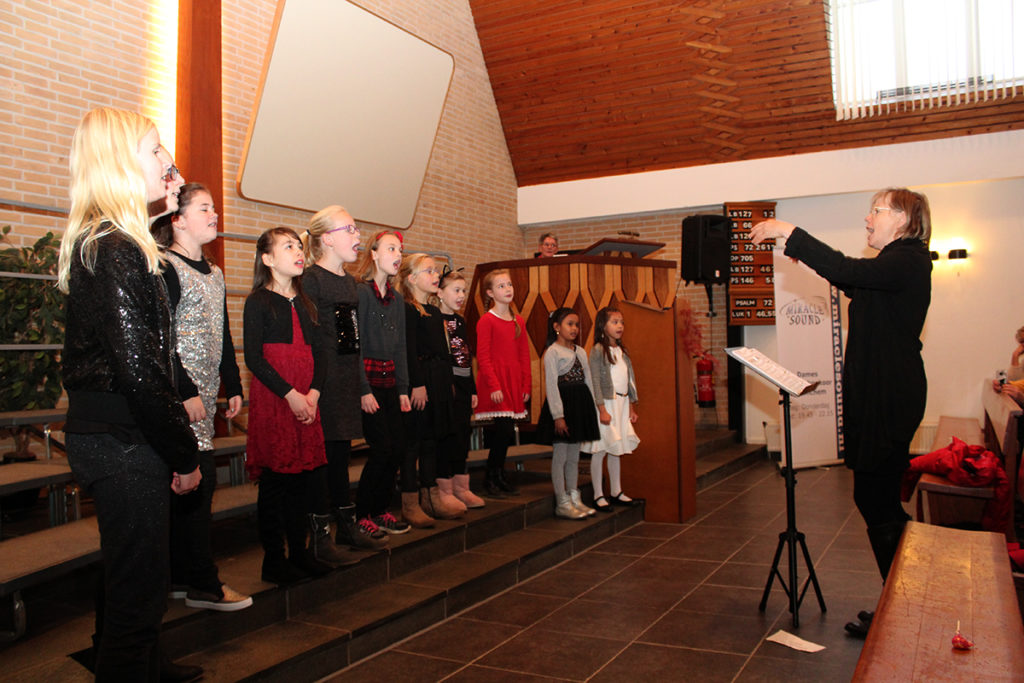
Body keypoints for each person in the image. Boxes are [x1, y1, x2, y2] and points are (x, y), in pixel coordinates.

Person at [57, 107, 202, 681]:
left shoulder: (116, 241)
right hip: (121, 438)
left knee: (133, 575)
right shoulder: (115, 247)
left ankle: (149, 665)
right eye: (156, 150)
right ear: (120, 162)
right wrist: (184, 453)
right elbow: (141, 372)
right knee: (138, 593)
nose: (170, 163)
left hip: (119, 434)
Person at [750, 187, 932, 639]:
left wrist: (788, 231)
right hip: (881, 395)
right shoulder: (894, 264)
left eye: (876, 211)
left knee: (877, 500)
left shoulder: (908, 259)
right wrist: (807, 258)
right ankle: (902, 601)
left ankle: (905, 606)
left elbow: (849, 270)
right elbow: (850, 279)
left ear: (903, 219)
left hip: (889, 398)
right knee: (875, 499)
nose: (868, 219)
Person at [151, 183, 252, 612]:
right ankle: (203, 582)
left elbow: (222, 333)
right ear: (177, 219)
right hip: (179, 394)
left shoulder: (214, 271)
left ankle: (180, 575)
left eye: (214, 208)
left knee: (189, 487)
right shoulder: (165, 267)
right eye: (205, 208)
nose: (215, 215)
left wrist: (233, 384)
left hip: (206, 396)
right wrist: (186, 390)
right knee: (198, 481)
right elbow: (162, 338)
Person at [244, 227, 344, 585]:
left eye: (299, 246)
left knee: (304, 482)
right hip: (277, 400)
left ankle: (300, 553)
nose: (299, 252)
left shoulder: (306, 302)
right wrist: (291, 395)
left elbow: (322, 353)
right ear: (268, 259)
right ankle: (274, 560)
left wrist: (313, 394)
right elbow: (254, 358)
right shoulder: (258, 301)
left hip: (307, 400)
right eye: (288, 247)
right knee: (276, 483)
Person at [301, 206, 388, 551]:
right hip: (323, 383)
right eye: (349, 229)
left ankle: (346, 526)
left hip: (346, 380)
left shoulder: (350, 283)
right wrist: (314, 387)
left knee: (340, 456)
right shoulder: (311, 279)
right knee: (323, 459)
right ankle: (320, 534)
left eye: (356, 228)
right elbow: (310, 340)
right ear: (326, 239)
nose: (357, 235)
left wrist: (360, 384)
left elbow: (351, 340)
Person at [353, 231, 413, 534]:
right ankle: (362, 513)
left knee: (398, 448)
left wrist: (403, 389)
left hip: (391, 383)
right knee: (381, 449)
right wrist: (363, 389)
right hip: (369, 384)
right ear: (374, 254)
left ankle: (381, 510)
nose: (398, 254)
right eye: (391, 248)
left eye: (400, 249)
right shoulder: (360, 293)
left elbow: (400, 346)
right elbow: (356, 346)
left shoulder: (397, 299)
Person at [397, 254, 464, 521]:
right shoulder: (407, 309)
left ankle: (431, 497)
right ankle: (410, 501)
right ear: (412, 279)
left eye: (436, 271)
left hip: (438, 378)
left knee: (431, 441)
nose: (436, 275)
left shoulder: (435, 311)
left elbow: (444, 352)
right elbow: (409, 351)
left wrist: (448, 383)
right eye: (429, 271)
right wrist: (417, 384)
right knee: (413, 442)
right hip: (421, 379)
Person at [537, 308, 601, 519]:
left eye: (576, 325)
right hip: (564, 407)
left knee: (574, 456)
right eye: (569, 324)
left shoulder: (580, 351)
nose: (574, 329)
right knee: (561, 456)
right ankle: (562, 501)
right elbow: (552, 386)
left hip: (579, 407)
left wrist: (593, 409)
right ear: (556, 327)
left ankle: (574, 496)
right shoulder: (552, 352)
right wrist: (558, 415)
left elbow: (588, 381)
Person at [473, 269, 531, 497]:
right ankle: (491, 476)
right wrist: (494, 385)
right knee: (503, 430)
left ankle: (499, 475)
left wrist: (526, 385)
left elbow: (524, 355)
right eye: (501, 286)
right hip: (496, 382)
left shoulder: (518, 321)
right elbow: (483, 356)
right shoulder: (486, 321)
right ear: (490, 293)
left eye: (509, 285)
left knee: (506, 432)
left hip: (513, 381)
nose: (507, 289)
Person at [435, 268, 486, 508]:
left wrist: (472, 389)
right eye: (456, 290)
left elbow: (466, 357)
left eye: (463, 291)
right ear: (440, 292)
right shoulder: (434, 319)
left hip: (464, 387)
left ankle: (461, 487)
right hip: (446, 387)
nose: (461, 296)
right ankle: (444, 489)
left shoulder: (460, 321)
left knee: (463, 436)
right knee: (447, 436)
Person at [583, 306, 641, 512]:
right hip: (606, 404)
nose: (620, 326)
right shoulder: (598, 350)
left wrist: (631, 406)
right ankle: (598, 494)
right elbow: (595, 381)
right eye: (614, 322)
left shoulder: (622, 351)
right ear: (602, 325)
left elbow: (629, 379)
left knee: (617, 449)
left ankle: (616, 491)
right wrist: (601, 409)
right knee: (600, 449)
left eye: (621, 322)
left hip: (621, 405)